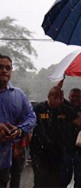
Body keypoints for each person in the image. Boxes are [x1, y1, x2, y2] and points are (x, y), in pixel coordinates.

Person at [29, 86, 78, 187]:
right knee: (40, 180)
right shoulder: (38, 108)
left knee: (58, 180)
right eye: (55, 97)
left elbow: (78, 121)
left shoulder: (66, 110)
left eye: (61, 97)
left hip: (59, 152)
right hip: (39, 151)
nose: (58, 99)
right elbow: (29, 123)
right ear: (48, 96)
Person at [0, 54, 36, 187]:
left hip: (5, 159)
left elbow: (31, 117)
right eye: (0, 67)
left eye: (8, 68)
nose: (4, 71)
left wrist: (20, 130)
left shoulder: (19, 95)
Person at [62, 88, 81, 188]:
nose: (75, 98)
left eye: (77, 96)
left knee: (80, 179)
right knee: (64, 178)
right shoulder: (64, 108)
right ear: (69, 97)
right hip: (66, 150)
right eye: (72, 96)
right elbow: (58, 92)